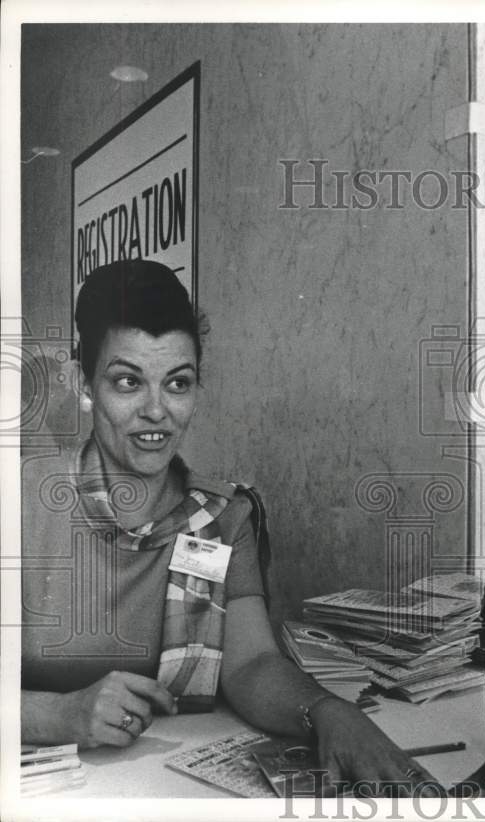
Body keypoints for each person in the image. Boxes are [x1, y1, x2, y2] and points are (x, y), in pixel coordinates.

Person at [20, 260, 434, 792]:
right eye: (127, 382)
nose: (157, 410)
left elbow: (252, 665)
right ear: (84, 384)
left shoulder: (222, 516)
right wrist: (58, 715)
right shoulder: (22, 502)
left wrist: (329, 712)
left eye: (178, 383)